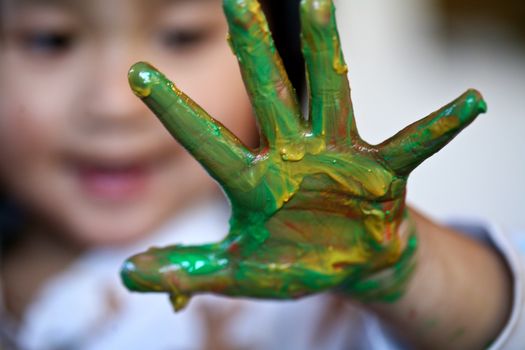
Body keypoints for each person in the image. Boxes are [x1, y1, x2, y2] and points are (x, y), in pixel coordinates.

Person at [0, 0, 522, 349]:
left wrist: (394, 265)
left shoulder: (309, 296)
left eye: (181, 36)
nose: (113, 104)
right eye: (50, 39)